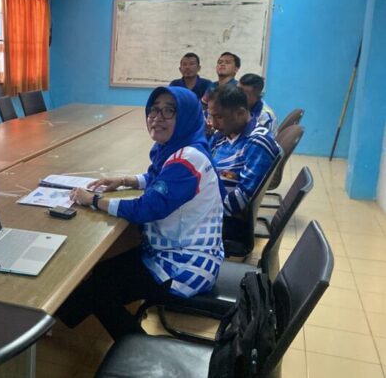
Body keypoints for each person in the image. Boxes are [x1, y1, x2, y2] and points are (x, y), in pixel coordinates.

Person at [57, 86, 225, 340]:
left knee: (98, 289)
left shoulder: (187, 160)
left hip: (184, 265)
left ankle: (138, 349)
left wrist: (92, 199)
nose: (158, 117)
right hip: (178, 249)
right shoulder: (181, 148)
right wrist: (124, 180)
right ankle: (58, 319)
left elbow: (146, 209)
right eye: (154, 110)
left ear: (187, 116)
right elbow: (157, 176)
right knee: (100, 271)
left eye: (169, 111)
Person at [206, 84, 279, 219]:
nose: (214, 124)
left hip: (223, 219)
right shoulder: (223, 135)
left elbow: (238, 202)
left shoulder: (257, 143)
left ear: (240, 113)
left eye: (219, 117)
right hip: (209, 201)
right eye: (211, 117)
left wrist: (199, 212)